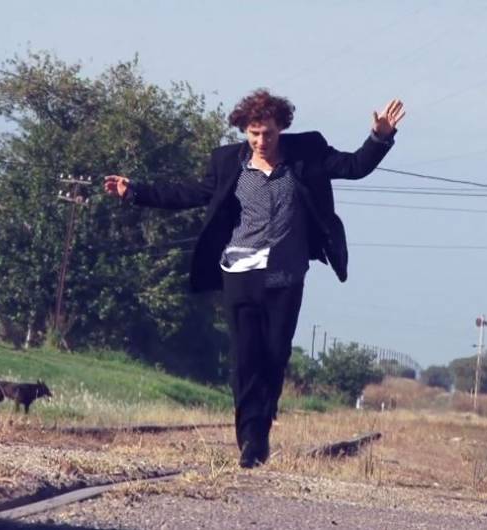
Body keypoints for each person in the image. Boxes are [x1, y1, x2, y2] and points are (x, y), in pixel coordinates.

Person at [103, 89, 404, 468]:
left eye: (269, 134)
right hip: (239, 270)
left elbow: (354, 166)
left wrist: (379, 137)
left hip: (286, 272)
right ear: (245, 130)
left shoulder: (308, 151)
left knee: (275, 354)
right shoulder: (227, 161)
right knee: (245, 356)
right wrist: (135, 192)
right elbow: (188, 193)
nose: (261, 141)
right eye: (254, 134)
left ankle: (262, 420)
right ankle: (251, 439)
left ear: (281, 129)